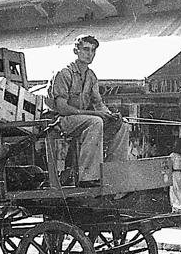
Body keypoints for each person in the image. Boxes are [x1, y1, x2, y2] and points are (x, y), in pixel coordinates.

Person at [46, 35, 130, 187]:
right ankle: (88, 177)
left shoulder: (91, 76)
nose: (89, 53)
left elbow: (98, 103)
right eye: (85, 49)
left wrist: (110, 115)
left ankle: (112, 175)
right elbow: (62, 108)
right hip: (59, 122)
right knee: (95, 122)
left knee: (123, 125)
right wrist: (96, 114)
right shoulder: (64, 73)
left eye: (93, 50)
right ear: (76, 51)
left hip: (81, 121)